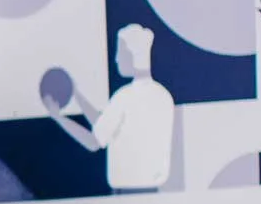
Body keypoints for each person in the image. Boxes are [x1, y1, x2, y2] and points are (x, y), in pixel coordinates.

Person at [43, 22, 178, 192]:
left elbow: (94, 141)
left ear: (130, 56)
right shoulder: (162, 95)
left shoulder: (125, 97)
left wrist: (57, 117)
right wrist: (77, 95)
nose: (116, 59)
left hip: (127, 195)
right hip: (154, 192)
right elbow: (105, 127)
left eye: (119, 53)